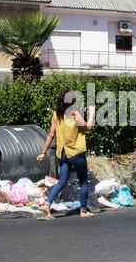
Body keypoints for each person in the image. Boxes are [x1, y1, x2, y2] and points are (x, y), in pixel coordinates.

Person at [36, 90, 95, 220]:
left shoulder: (56, 114)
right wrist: (91, 113)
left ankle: (47, 204)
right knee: (83, 181)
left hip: (63, 153)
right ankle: (83, 211)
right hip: (76, 152)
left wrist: (43, 152)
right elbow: (88, 127)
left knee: (62, 181)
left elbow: (51, 134)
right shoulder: (74, 113)